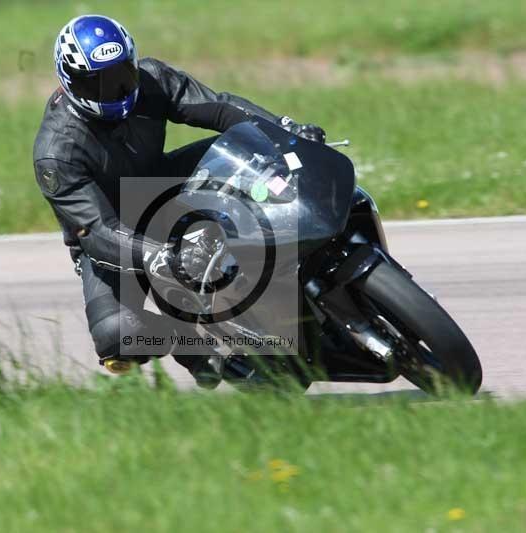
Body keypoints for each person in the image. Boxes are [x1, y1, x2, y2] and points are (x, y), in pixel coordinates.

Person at [33, 14, 325, 386]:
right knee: (117, 337)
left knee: (251, 152)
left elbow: (219, 108)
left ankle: (307, 250)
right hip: (112, 237)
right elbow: (98, 231)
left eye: (124, 74)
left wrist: (283, 131)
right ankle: (185, 340)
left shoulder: (153, 80)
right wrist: (161, 254)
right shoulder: (57, 153)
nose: (118, 92)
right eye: (100, 84)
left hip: (161, 183)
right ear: (70, 81)